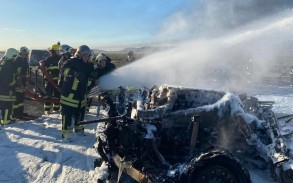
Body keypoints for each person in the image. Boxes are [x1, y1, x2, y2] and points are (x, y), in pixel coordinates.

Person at [59, 45, 95, 140]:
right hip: (69, 95)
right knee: (68, 115)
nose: (86, 57)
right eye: (84, 55)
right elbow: (63, 70)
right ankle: (67, 135)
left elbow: (91, 76)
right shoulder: (71, 62)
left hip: (82, 95)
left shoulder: (89, 65)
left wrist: (93, 76)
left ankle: (79, 130)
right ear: (79, 55)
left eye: (88, 55)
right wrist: (74, 73)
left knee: (81, 114)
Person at [39, 44, 61, 115]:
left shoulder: (48, 59)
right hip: (58, 81)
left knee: (48, 96)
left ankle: (47, 111)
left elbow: (41, 67)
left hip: (49, 82)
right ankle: (56, 110)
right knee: (57, 96)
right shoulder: (61, 59)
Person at [0, 48, 19, 125]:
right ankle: (5, 121)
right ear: (13, 56)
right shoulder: (9, 65)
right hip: (6, 91)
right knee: (6, 106)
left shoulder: (5, 63)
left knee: (6, 106)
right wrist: (15, 83)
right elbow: (7, 80)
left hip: (3, 89)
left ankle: (7, 118)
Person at [13, 46, 30, 119]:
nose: (25, 55)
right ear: (20, 53)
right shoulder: (17, 61)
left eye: (26, 54)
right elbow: (16, 74)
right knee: (17, 99)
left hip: (23, 82)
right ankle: (16, 113)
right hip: (17, 83)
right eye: (24, 54)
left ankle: (20, 112)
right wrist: (20, 84)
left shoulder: (25, 61)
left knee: (21, 99)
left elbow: (25, 72)